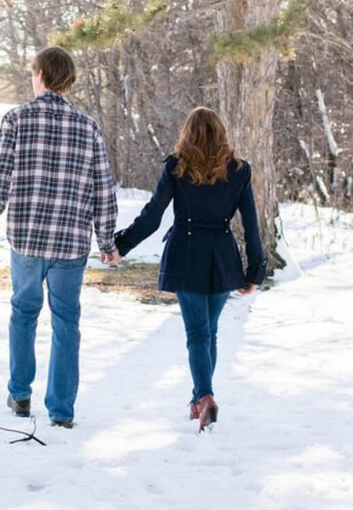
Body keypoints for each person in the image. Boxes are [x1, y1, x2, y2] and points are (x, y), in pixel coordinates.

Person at [0, 46, 120, 429]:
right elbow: (102, 189)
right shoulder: (87, 127)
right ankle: (61, 411)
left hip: (27, 238)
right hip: (71, 243)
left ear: (40, 74)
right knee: (66, 322)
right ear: (68, 80)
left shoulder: (17, 119)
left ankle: (20, 394)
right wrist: (106, 241)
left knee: (23, 313)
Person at [114, 107, 266, 432]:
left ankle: (205, 397)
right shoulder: (238, 171)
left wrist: (121, 245)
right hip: (223, 257)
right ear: (221, 134)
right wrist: (255, 270)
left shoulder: (177, 167)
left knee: (198, 333)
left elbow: (153, 215)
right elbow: (251, 224)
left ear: (188, 134)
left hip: (186, 254)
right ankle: (199, 399)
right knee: (207, 332)